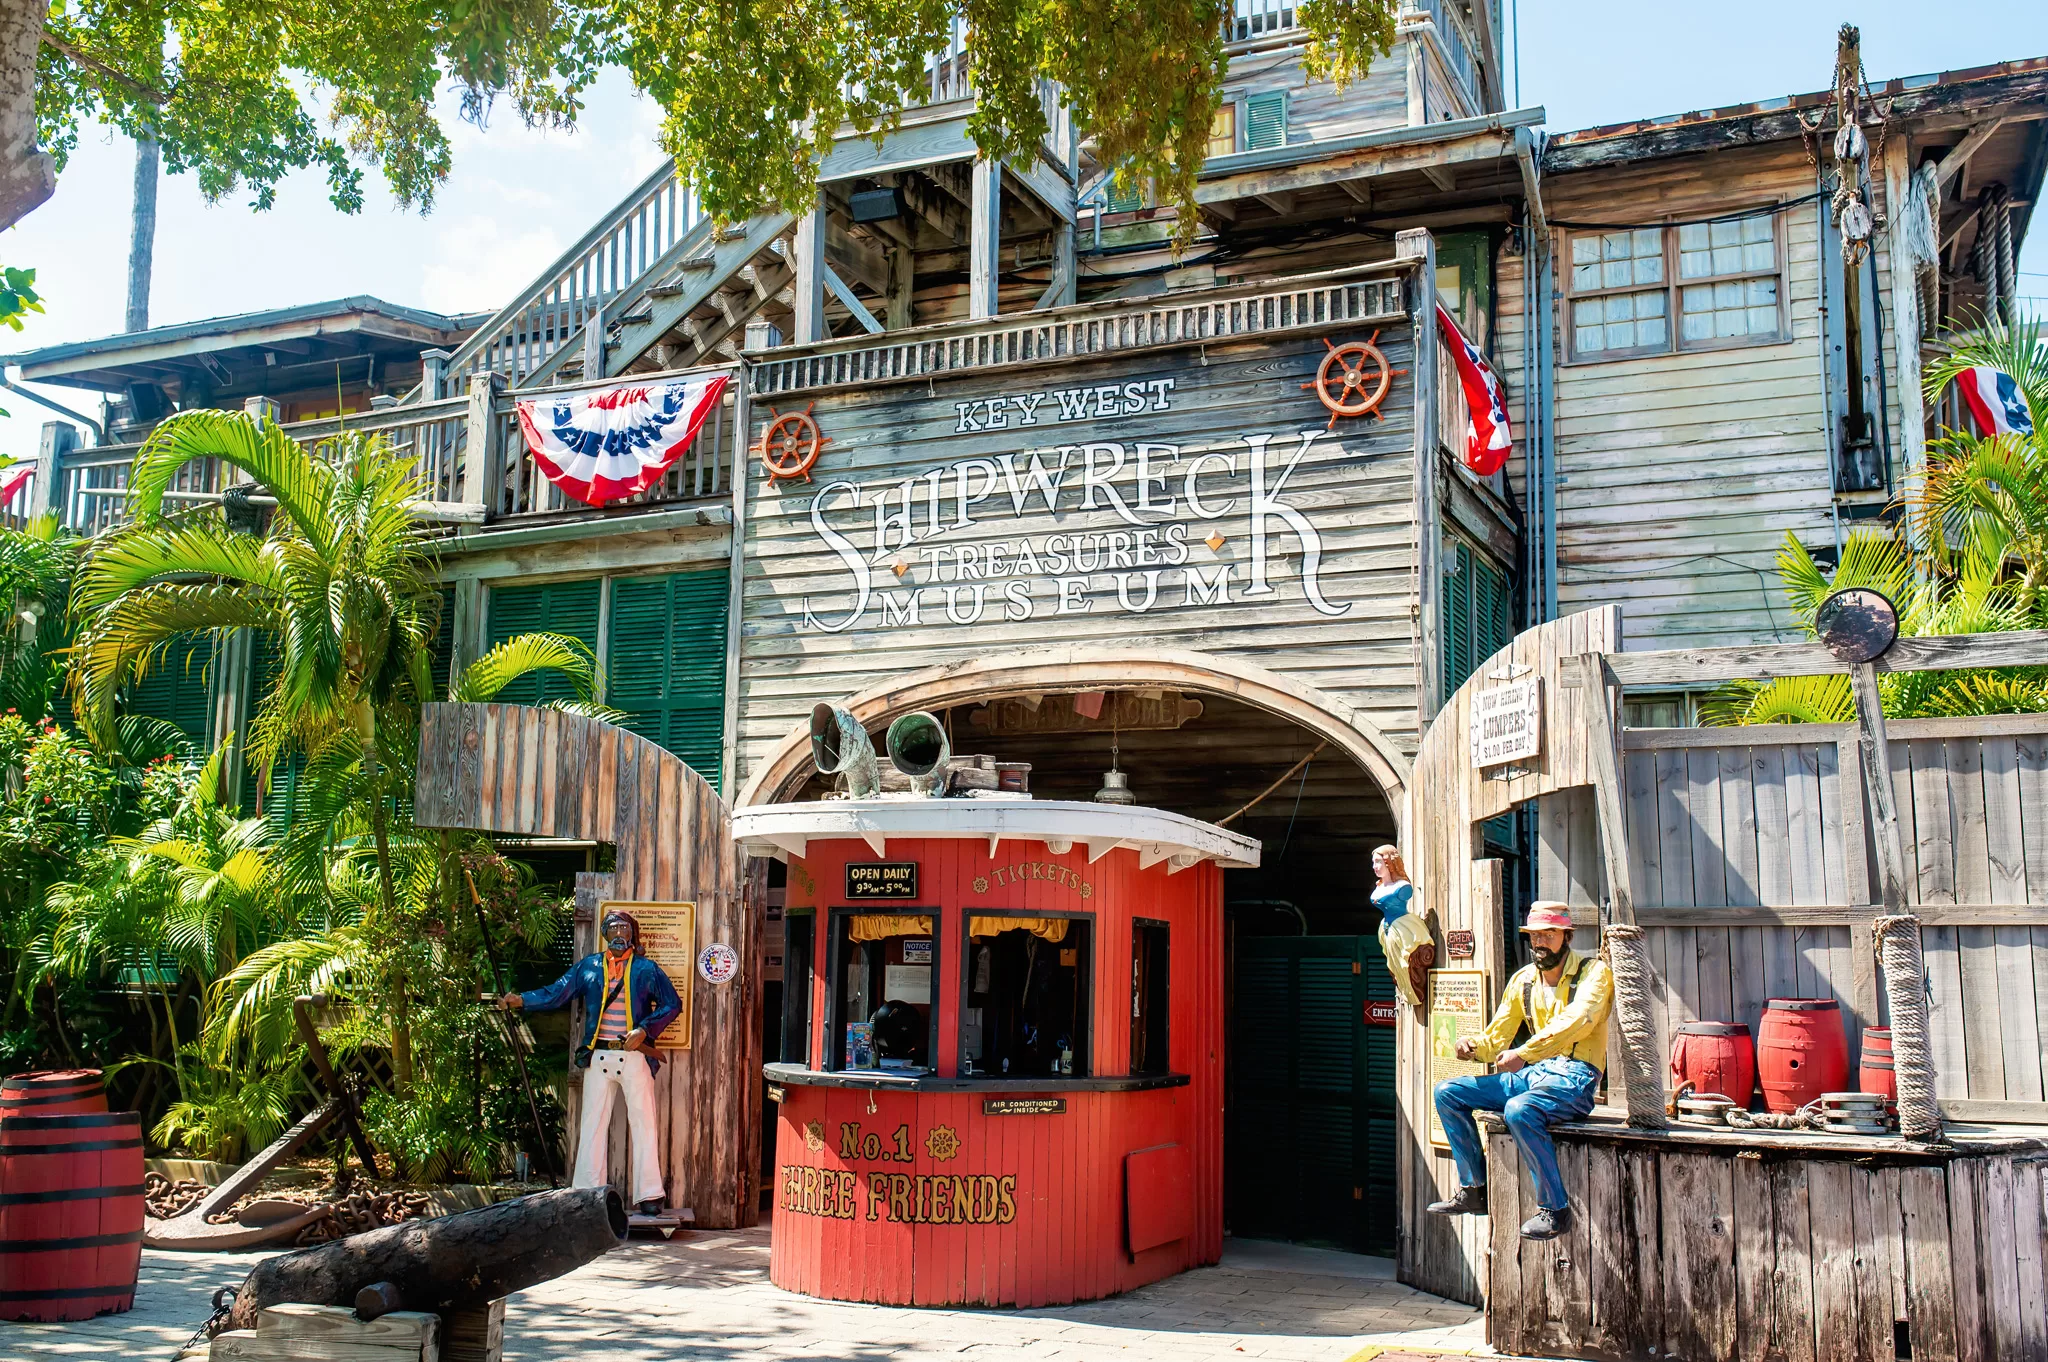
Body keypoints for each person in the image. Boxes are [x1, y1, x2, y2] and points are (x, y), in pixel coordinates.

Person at [1427, 901, 1612, 1240]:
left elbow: (1577, 1021)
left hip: (1576, 1078)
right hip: (1535, 1072)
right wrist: (1472, 1046)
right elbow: (1497, 1035)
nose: (1540, 943)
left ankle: (1555, 1210)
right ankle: (1475, 1190)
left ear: (1567, 936)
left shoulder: (1594, 973)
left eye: (1549, 934)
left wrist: (1524, 1053)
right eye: (1535, 935)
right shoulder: (1523, 980)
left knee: (1519, 1109)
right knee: (1448, 1092)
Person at [501, 908, 682, 1216]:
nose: (618, 933)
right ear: (604, 934)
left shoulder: (646, 970)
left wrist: (644, 1029)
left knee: (644, 1124)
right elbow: (558, 992)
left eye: (623, 928)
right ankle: (586, 1192)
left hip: (635, 1057)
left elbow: (672, 1004)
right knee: (592, 1125)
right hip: (598, 1056)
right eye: (612, 928)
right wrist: (523, 1000)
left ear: (632, 933)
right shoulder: (589, 968)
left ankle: (650, 1194)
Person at [1370, 844, 1434, 1007]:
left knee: (1406, 960)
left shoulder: (1402, 887)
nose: (1375, 867)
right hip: (1388, 928)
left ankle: (1414, 991)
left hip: (1402, 926)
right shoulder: (1379, 887)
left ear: (1389, 863)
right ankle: (1407, 990)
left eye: (1378, 862)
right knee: (1394, 964)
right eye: (1373, 862)